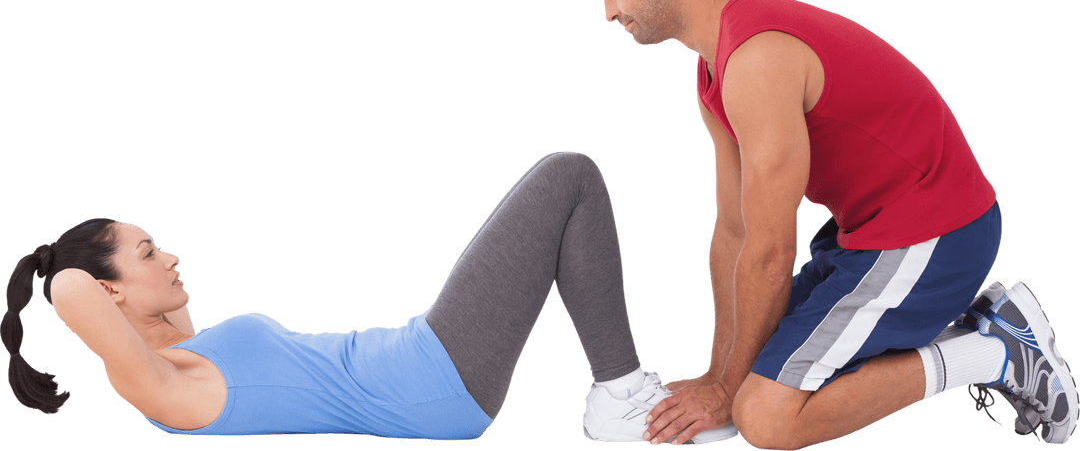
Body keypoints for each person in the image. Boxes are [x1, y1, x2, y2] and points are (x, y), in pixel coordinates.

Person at [581, 0, 1075, 448]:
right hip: (868, 238)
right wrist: (717, 376)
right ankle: (971, 326)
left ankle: (995, 352)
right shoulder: (714, 71)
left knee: (765, 418)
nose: (609, 12)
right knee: (748, 375)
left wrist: (731, 392)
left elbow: (770, 252)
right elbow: (734, 233)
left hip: (938, 232)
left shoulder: (759, 59)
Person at [2, 151, 737, 442]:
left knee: (565, 194)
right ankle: (617, 394)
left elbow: (142, 311)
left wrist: (132, 281)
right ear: (106, 291)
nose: (171, 257)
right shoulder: (162, 387)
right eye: (148, 252)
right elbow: (69, 288)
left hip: (421, 359)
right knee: (567, 176)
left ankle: (617, 388)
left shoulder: (181, 349)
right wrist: (53, 269)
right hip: (427, 375)